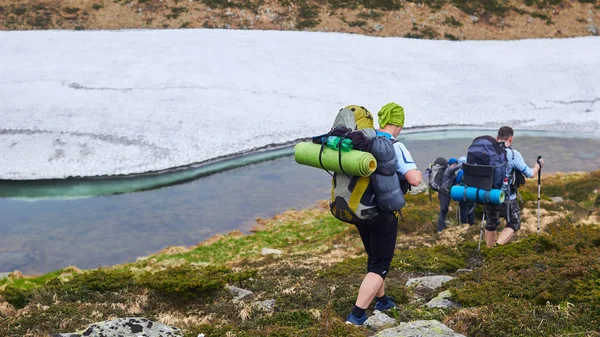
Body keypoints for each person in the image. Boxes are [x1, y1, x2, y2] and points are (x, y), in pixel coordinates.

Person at [346, 102, 422, 325]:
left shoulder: (364, 141)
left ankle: (382, 301)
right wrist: (416, 171)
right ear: (398, 123)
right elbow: (414, 179)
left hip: (361, 210)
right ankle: (357, 315)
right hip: (383, 214)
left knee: (374, 258)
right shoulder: (394, 146)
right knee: (380, 265)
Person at [484, 126, 544, 248]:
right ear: (510, 139)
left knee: (491, 223)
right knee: (513, 223)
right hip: (507, 197)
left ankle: (488, 251)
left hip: (488, 195)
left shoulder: (487, 153)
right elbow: (529, 173)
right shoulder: (513, 155)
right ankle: (497, 247)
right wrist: (537, 166)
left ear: (497, 138)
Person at [436, 157, 462, 233]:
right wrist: (465, 163)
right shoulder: (449, 170)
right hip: (444, 193)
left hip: (446, 193)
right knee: (443, 210)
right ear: (453, 164)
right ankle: (440, 229)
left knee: (445, 209)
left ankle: (443, 225)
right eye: (455, 164)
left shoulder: (451, 172)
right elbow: (458, 167)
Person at [456, 156, 475, 226]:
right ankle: (471, 221)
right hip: (471, 190)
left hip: (462, 190)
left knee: (463, 207)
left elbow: (458, 180)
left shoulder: (461, 171)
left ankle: (464, 222)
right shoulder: (471, 170)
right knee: (471, 206)